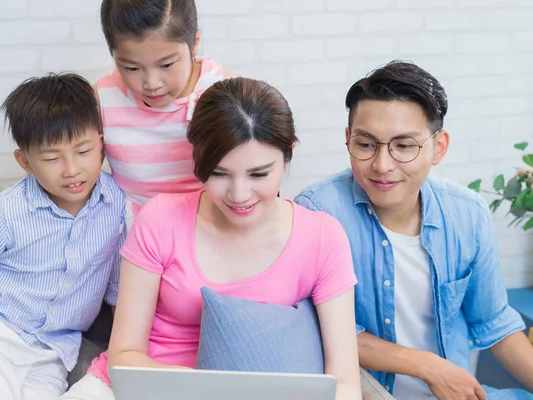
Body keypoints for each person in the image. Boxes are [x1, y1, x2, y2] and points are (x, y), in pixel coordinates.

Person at [61, 77, 362, 399]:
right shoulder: (160, 218)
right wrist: (203, 389)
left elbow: (344, 382)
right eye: (219, 173)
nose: (239, 195)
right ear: (198, 159)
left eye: (259, 174)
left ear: (289, 155)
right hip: (144, 386)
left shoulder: (322, 238)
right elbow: (124, 358)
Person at [295, 61, 533, 400]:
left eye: (404, 146)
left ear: (439, 148)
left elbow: (495, 324)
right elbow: (321, 330)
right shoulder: (318, 213)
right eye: (366, 145)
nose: (382, 165)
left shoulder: (468, 215)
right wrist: (428, 366)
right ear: (348, 139)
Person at [0, 73, 126, 400]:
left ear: (102, 147)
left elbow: (119, 290)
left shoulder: (116, 206)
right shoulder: (6, 211)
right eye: (52, 158)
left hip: (50, 353)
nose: (71, 170)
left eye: (83, 151)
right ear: (26, 162)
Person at [95, 0, 236, 229]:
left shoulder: (227, 92)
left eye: (167, 64)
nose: (152, 84)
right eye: (131, 68)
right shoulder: (102, 100)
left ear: (195, 44)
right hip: (136, 238)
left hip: (210, 233)